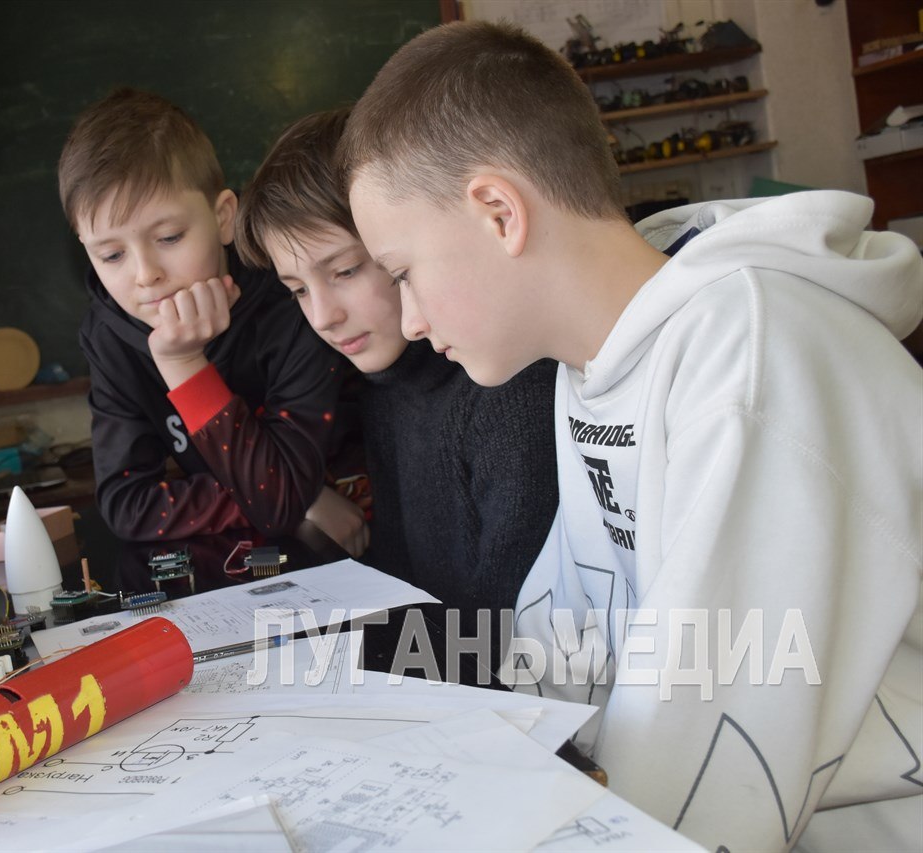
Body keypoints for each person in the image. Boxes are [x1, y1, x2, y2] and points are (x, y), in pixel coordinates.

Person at [340, 20, 923, 853]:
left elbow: (718, 746)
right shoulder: (597, 363)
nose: (408, 319)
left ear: (499, 212)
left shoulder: (750, 354)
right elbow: (576, 629)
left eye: (403, 272)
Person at [236, 108, 559, 670]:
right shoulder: (382, 382)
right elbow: (401, 588)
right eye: (298, 290)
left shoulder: (508, 387)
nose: (323, 316)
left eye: (344, 271)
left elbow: (502, 647)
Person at [58, 88, 366, 553]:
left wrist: (183, 366)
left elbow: (280, 498)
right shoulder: (109, 336)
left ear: (223, 218)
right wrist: (294, 495)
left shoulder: (293, 295)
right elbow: (127, 505)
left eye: (169, 237)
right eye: (112, 255)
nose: (145, 275)